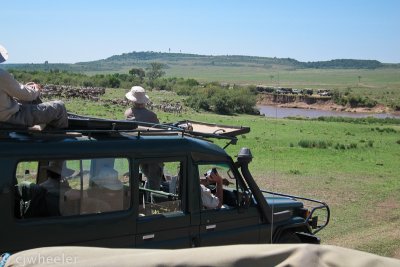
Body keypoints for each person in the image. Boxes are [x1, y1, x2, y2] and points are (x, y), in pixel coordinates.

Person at [0, 44, 68, 129]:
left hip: (3, 114)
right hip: (9, 118)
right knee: (59, 106)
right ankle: (58, 138)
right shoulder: (2, 75)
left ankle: (40, 126)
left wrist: (25, 87)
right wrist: (36, 89)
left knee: (30, 100)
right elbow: (27, 95)